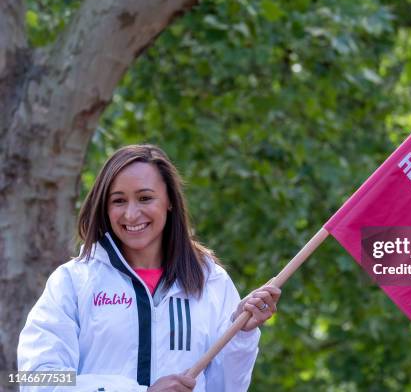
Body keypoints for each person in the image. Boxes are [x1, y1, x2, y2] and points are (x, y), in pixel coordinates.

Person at [18, 145, 281, 391]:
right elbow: (36, 378)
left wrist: (241, 334)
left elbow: (227, 387)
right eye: (118, 201)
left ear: (169, 201)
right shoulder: (72, 282)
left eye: (145, 198)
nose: (131, 214)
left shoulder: (210, 281)